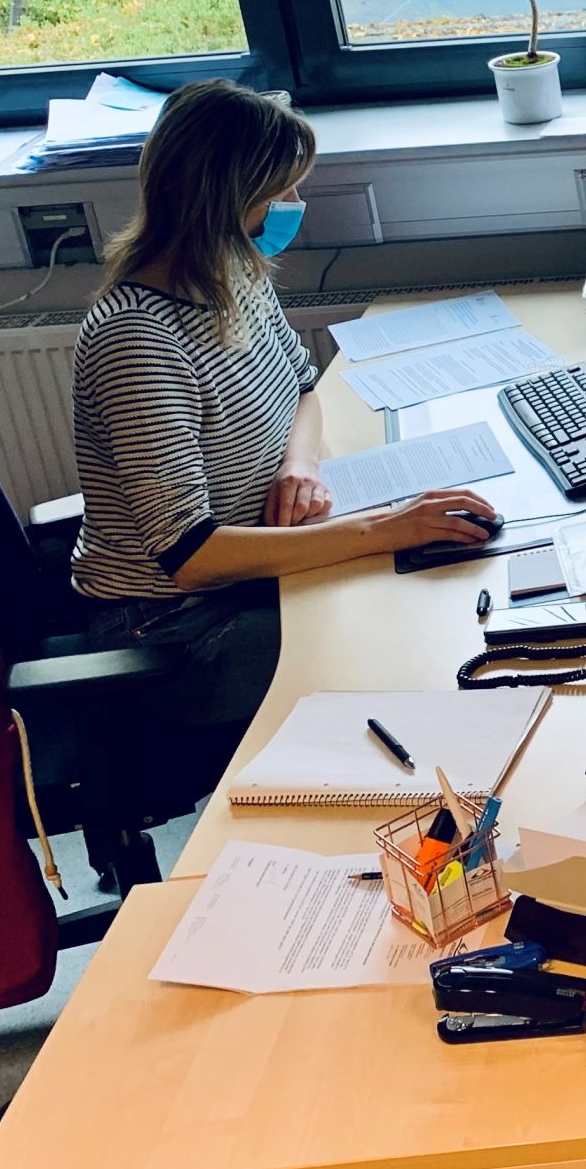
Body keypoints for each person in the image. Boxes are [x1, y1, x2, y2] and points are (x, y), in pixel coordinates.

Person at [68, 80, 497, 735]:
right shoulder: (137, 339)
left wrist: (300, 466)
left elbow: (304, 386)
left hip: (257, 570)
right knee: (394, 635)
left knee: (421, 591)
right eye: (283, 192)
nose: (294, 205)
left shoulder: (232, 272)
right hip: (174, 628)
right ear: (231, 201)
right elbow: (191, 554)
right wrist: (385, 528)